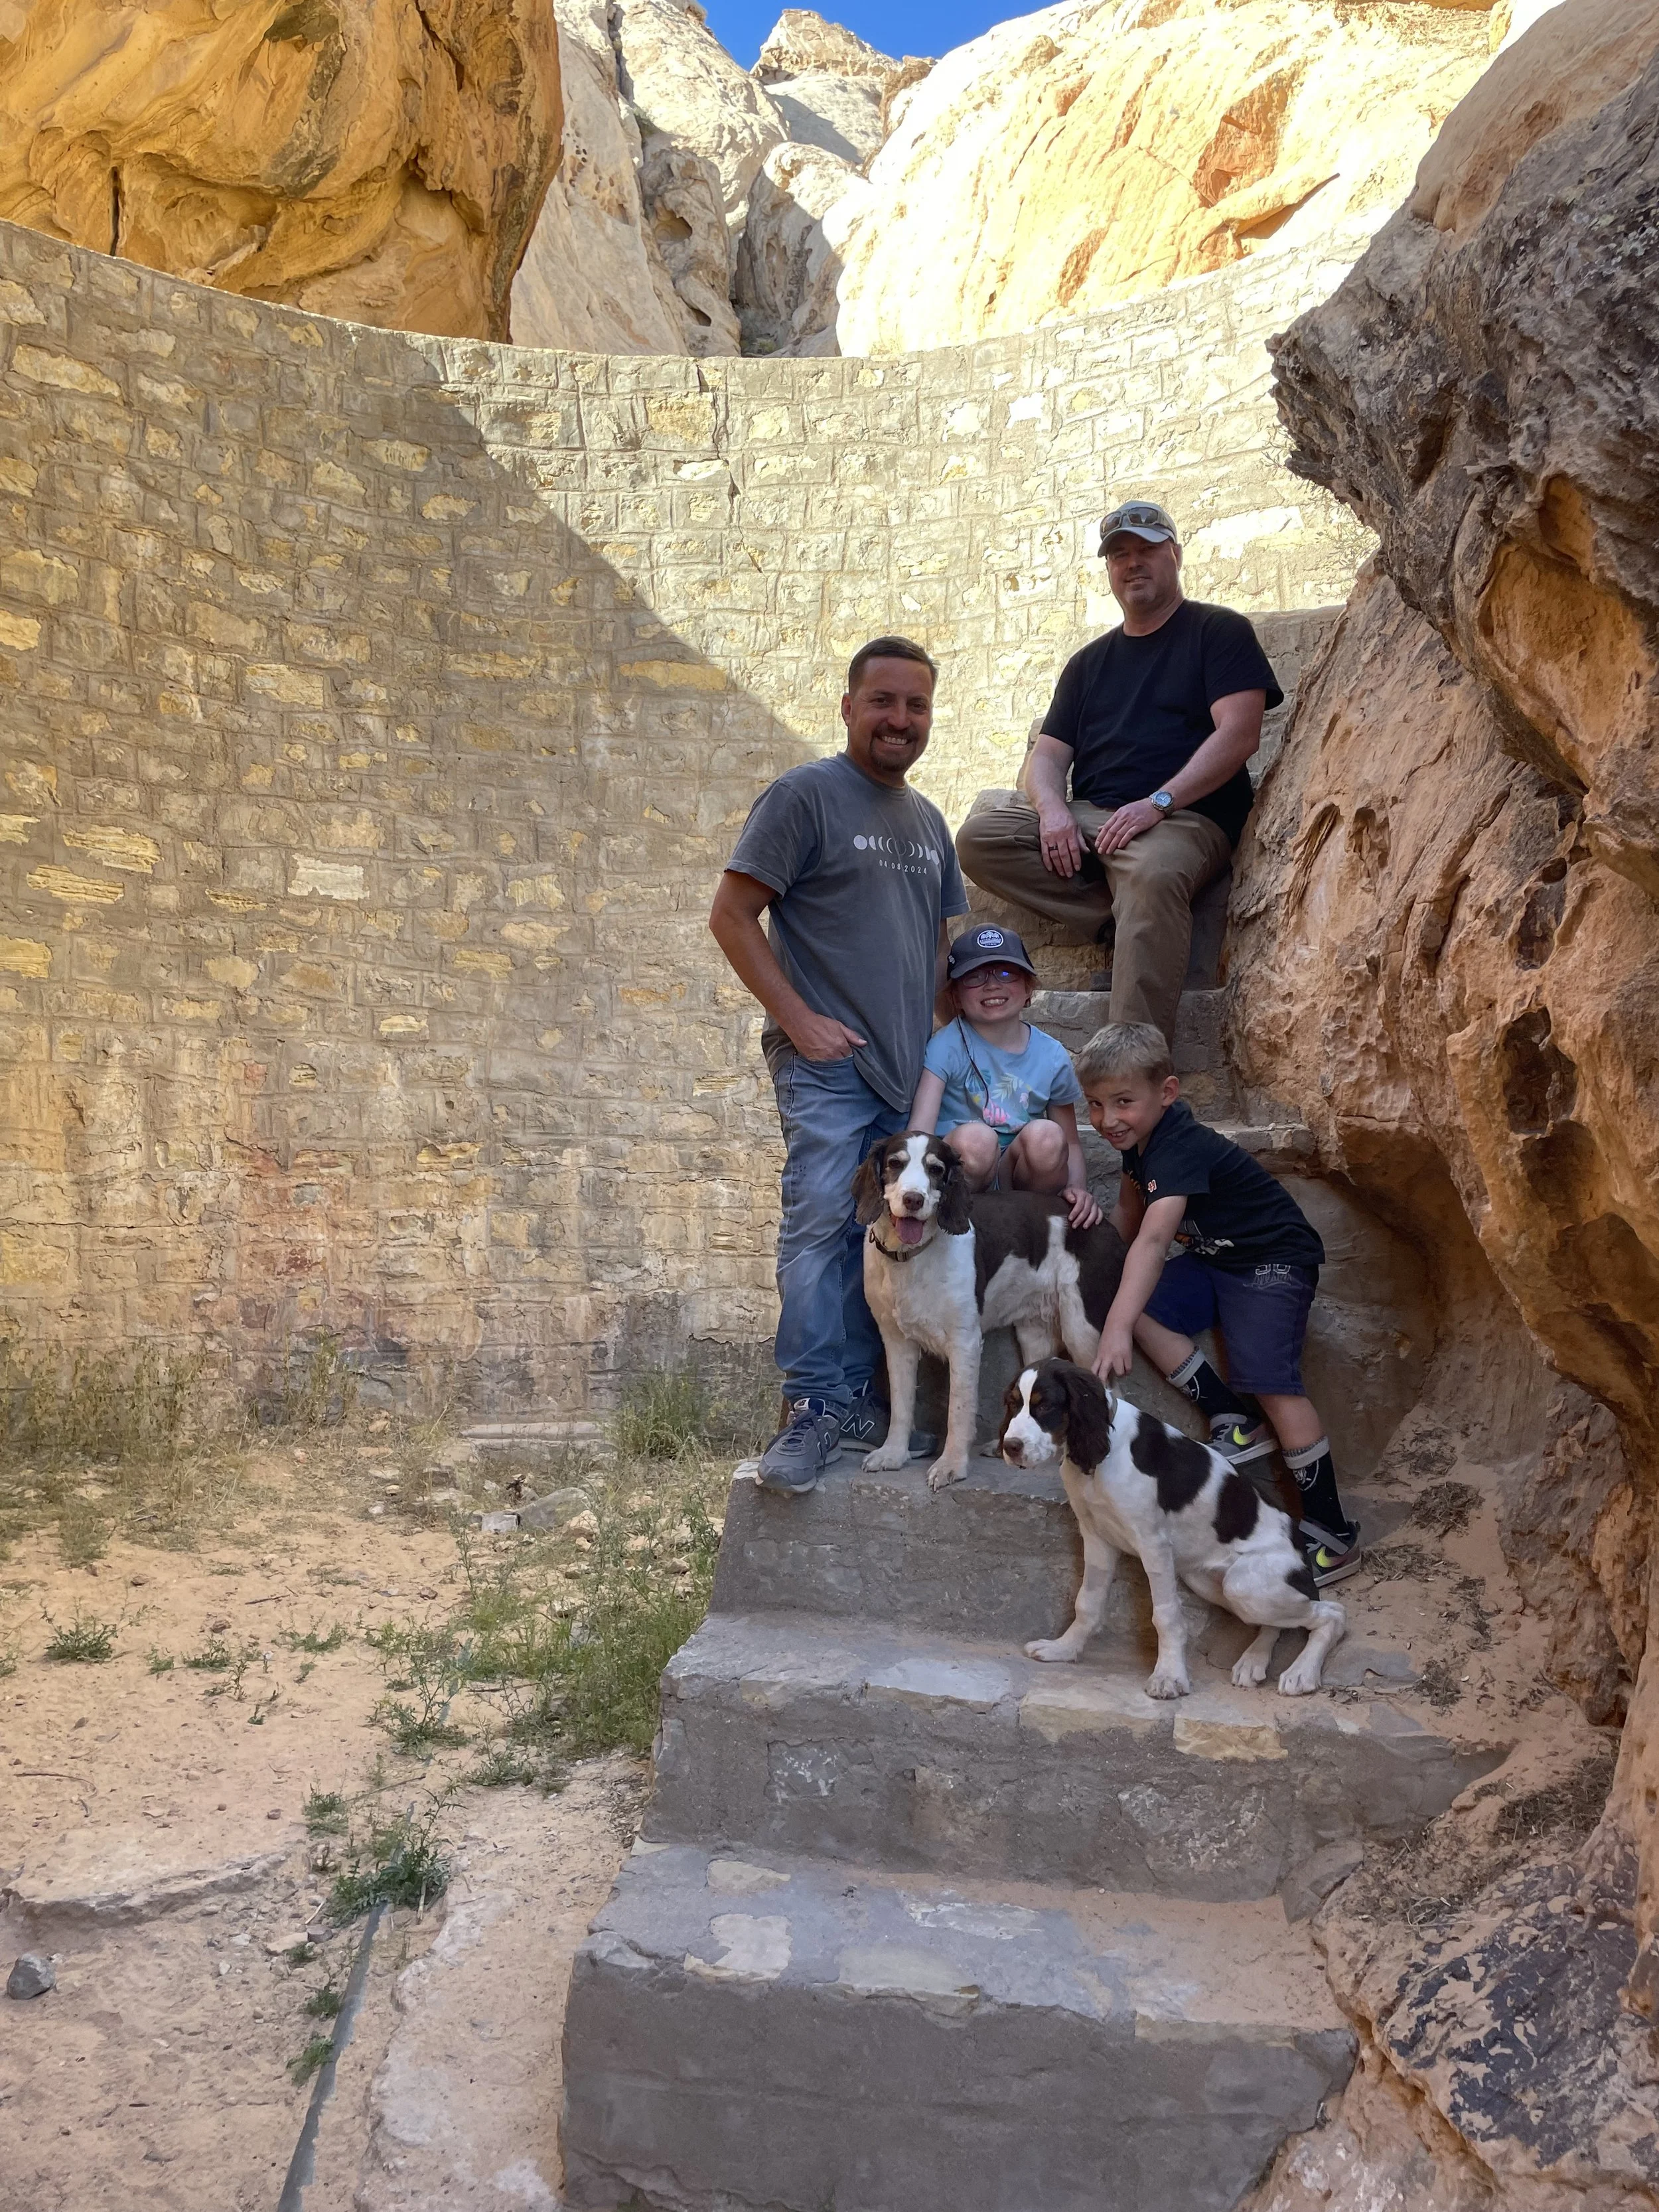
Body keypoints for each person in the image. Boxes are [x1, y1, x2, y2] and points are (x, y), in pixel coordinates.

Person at [709, 635, 968, 1495]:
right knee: (821, 1220)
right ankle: (814, 1405)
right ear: (850, 707)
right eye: (884, 701)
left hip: (902, 1079)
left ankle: (861, 1401)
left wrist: (947, 1061)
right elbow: (733, 915)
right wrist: (801, 1021)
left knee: (882, 1235)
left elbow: (934, 957)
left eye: (917, 705)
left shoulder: (930, 824)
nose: (900, 719)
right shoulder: (805, 796)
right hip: (827, 1066)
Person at [954, 498, 1283, 1049]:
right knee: (980, 837)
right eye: (1120, 554)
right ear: (1109, 569)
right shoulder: (1088, 663)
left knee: (1152, 877)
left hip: (1181, 819)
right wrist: (1053, 810)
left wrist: (1157, 802)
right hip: (1091, 820)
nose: (1134, 563)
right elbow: (1046, 757)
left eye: (1147, 550)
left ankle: (1134, 1064)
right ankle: (1131, 925)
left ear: (1174, 555)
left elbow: (1238, 734)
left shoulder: (1219, 631)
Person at [1074, 1020, 1362, 1585]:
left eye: (1123, 1102)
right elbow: (1128, 1225)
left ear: (1168, 1093)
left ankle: (1334, 1531)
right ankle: (1232, 1416)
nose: (1108, 1120)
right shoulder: (1140, 1145)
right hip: (1217, 1260)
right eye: (1095, 1104)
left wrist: (1114, 1326)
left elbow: (1155, 1241)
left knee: (1272, 1382)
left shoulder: (1178, 1144)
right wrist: (1081, 1263)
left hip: (1272, 1259)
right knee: (1137, 1302)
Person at [909, 923, 1101, 1228]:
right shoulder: (946, 1046)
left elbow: (1072, 1143)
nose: (992, 985)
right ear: (956, 997)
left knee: (1049, 1137)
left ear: (1028, 989)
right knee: (979, 1140)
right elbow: (920, 1131)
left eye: (1007, 973)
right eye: (975, 976)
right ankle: (961, 1221)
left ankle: (1029, 1224)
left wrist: (1078, 1189)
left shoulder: (1051, 1056)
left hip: (1017, 1175)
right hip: (962, 1171)